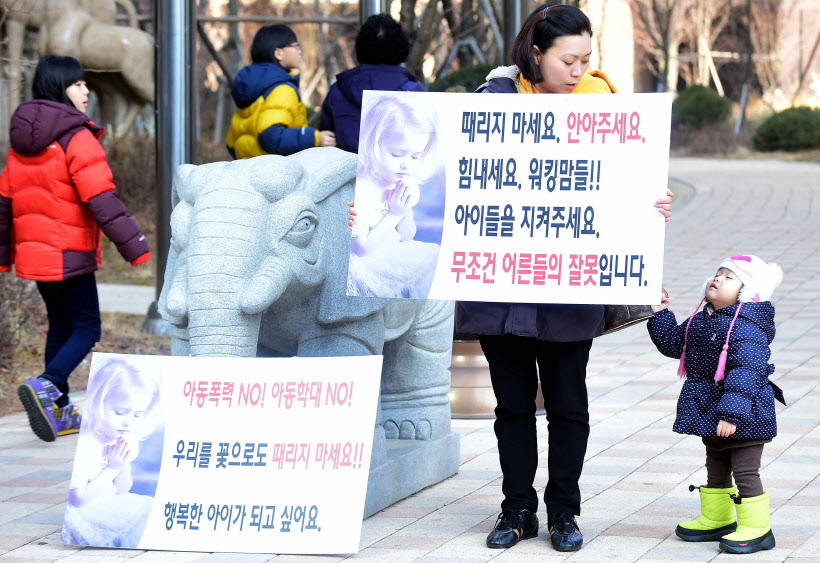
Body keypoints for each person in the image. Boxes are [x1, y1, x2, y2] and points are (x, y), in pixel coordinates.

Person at [454, 4, 674, 552]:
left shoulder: (603, 107)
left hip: (569, 286)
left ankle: (564, 513)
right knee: (511, 406)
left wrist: (652, 205)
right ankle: (517, 509)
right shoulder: (493, 103)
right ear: (535, 53)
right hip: (501, 285)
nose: (578, 71)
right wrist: (376, 219)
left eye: (586, 59)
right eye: (567, 60)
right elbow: (446, 183)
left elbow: (626, 189)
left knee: (568, 404)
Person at [0, 55, 150, 443]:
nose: (86, 91)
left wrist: (4, 257)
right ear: (59, 87)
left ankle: (59, 410)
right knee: (87, 326)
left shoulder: (21, 142)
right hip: (69, 252)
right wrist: (134, 247)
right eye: (78, 83)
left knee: (61, 325)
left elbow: (4, 201)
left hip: (34, 256)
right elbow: (102, 198)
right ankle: (48, 383)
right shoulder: (75, 136)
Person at [647, 255, 785, 555]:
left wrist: (732, 414)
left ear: (748, 291)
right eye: (718, 272)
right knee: (716, 463)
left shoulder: (747, 326)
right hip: (714, 411)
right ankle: (718, 518)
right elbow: (674, 342)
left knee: (745, 471)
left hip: (745, 413)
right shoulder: (704, 318)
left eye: (729, 277)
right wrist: (659, 313)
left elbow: (746, 370)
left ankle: (758, 529)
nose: (718, 278)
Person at [347, 96, 440, 299]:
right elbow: (360, 248)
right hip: (366, 262)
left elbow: (407, 235)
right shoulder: (362, 188)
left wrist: (403, 211)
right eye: (397, 154)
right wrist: (393, 213)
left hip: (391, 251)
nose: (407, 165)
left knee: (435, 258)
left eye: (415, 156)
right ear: (373, 145)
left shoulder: (403, 181)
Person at [62, 359, 160, 548]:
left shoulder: (124, 438)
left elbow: (123, 488)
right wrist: (111, 468)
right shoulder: (87, 443)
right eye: (120, 412)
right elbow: (78, 500)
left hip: (108, 499)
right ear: (98, 403)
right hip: (85, 509)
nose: (128, 422)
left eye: (137, 415)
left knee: (149, 507)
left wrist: (121, 466)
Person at [226, 24, 336, 159]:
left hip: (246, 169)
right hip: (274, 173)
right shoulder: (283, 89)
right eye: (295, 46)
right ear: (278, 53)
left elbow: (231, 143)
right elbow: (271, 137)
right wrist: (315, 138)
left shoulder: (254, 86)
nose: (299, 51)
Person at [320, 13, 426, 153]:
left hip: (346, 173)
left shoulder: (338, 91)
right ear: (401, 46)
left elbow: (327, 142)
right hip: (400, 172)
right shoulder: (414, 92)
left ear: (360, 46)